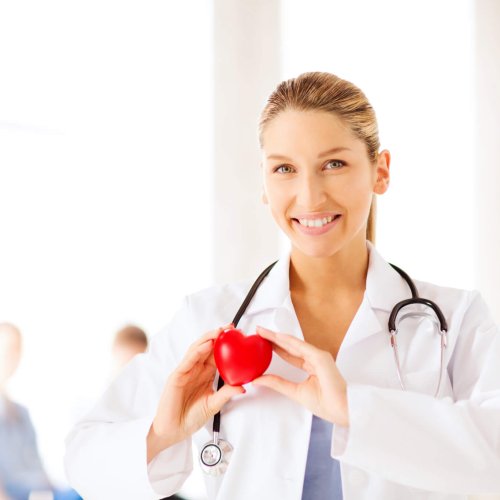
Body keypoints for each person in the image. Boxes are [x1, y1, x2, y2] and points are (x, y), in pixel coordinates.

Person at [64, 72, 500, 500]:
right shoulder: (209, 318)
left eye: (334, 164)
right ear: (264, 182)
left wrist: (354, 411)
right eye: (285, 168)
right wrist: (162, 433)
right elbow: (83, 458)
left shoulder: (455, 319)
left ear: (380, 171)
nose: (309, 196)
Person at [0, 323, 81, 500]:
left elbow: (38, 467)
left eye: (16, 350)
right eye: (6, 349)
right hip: (16, 495)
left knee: (81, 493)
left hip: (40, 492)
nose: (11, 357)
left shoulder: (21, 413)